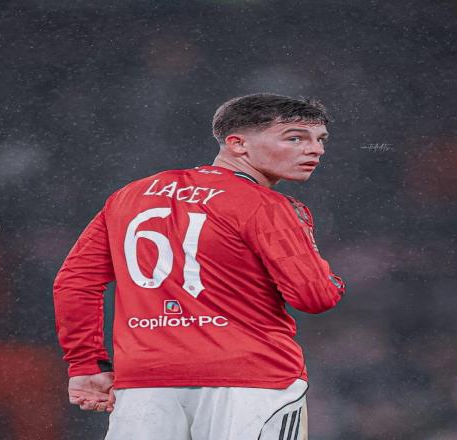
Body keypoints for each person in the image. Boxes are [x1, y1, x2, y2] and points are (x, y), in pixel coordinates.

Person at [53, 93, 345, 440]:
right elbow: (315, 297)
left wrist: (86, 363)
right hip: (252, 380)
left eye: (320, 139)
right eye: (295, 138)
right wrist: (329, 277)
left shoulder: (130, 196)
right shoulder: (265, 205)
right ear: (237, 144)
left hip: (146, 383)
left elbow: (75, 282)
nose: (315, 150)